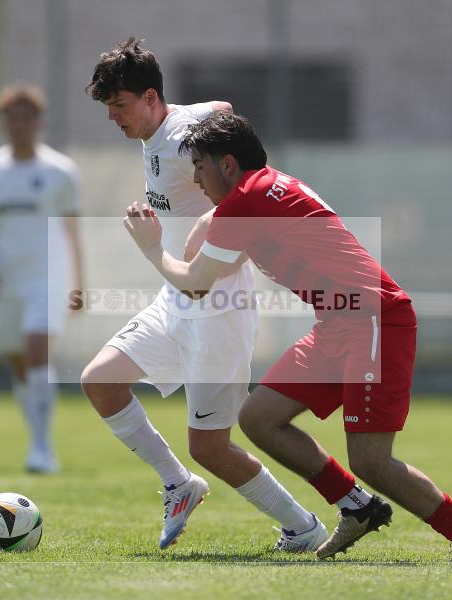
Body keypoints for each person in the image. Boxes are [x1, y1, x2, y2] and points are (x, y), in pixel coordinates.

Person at [123, 111, 452, 562]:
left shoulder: (246, 201)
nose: (196, 180)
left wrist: (152, 248)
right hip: (338, 324)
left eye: (200, 167)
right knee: (259, 417)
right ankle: (356, 506)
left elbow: (197, 283)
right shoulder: (263, 189)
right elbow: (223, 261)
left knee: (371, 459)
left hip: (374, 320)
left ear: (227, 165)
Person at [82, 38, 326, 551]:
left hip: (217, 307)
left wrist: (211, 226)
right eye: (108, 107)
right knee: (101, 381)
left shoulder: (180, 139)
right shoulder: (169, 126)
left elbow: (246, 174)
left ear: (151, 97)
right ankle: (178, 485)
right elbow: (222, 107)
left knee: (211, 448)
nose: (112, 117)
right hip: (174, 298)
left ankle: (304, 528)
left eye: (119, 105)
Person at [0, 84, 83, 474]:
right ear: (3, 123)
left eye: (27, 118)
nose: (19, 125)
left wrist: (80, 283)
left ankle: (42, 448)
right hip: (8, 279)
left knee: (37, 350)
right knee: (19, 361)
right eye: (12, 118)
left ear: (39, 122)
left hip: (49, 277)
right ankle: (36, 437)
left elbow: (73, 231)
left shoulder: (60, 171)